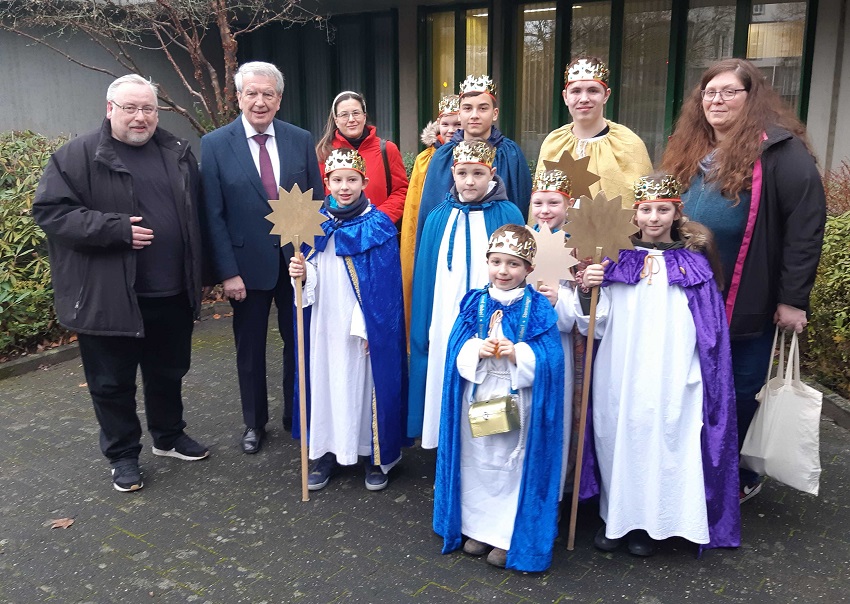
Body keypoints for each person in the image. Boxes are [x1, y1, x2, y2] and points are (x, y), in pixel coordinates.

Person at [33, 74, 209, 492]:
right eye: (130, 107)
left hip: (171, 291)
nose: (140, 116)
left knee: (169, 371)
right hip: (108, 297)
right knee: (111, 383)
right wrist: (115, 229)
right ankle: (123, 456)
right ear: (110, 108)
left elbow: (195, 216)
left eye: (148, 108)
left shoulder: (177, 152)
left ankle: (168, 436)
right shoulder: (76, 156)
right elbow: (51, 213)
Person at [661, 58, 826, 502]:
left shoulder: (780, 152)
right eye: (709, 92)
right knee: (695, 382)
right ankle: (692, 463)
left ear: (752, 98)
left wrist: (793, 299)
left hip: (746, 291)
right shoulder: (688, 146)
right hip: (691, 294)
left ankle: (734, 473)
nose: (717, 100)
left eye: (730, 91)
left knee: (740, 384)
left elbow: (805, 228)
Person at [576, 175, 740, 557]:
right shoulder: (614, 259)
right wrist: (589, 288)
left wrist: (697, 371)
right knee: (618, 436)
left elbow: (709, 330)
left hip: (673, 371)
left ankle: (651, 525)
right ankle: (616, 519)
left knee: (663, 439)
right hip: (620, 370)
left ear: (676, 212)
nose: (654, 217)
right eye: (646, 209)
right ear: (635, 213)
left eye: (662, 209)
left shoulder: (694, 264)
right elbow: (594, 325)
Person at [200, 61, 324, 454]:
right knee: (250, 350)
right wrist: (227, 273)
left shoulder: (299, 139)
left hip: (295, 265)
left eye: (267, 94)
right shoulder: (215, 145)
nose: (259, 101)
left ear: (279, 99)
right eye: (251, 93)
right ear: (238, 98)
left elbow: (314, 200)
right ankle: (254, 423)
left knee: (299, 343)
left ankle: (297, 413)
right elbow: (213, 215)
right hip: (246, 269)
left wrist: (310, 258)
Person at [433, 225, 564, 571]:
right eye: (496, 262)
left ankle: (506, 536)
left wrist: (518, 353)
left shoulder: (537, 308)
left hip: (517, 400)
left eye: (513, 264)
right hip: (478, 398)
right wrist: (477, 348)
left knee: (509, 467)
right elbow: (454, 350)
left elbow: (551, 358)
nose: (503, 271)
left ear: (529, 269)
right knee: (478, 462)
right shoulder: (474, 301)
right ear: (487, 262)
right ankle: (476, 528)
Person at [288, 149, 409, 492]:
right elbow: (311, 268)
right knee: (325, 383)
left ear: (365, 182)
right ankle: (326, 451)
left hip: (361, 327)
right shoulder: (313, 221)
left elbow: (384, 287)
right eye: (337, 180)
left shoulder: (378, 225)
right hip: (324, 321)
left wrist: (371, 327)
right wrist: (301, 273)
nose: (344, 187)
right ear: (326, 182)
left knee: (363, 384)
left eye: (351, 180)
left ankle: (373, 455)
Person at [408, 141, 525, 448]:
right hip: (445, 315)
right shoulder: (438, 216)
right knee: (446, 368)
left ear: (493, 173)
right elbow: (425, 279)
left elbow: (519, 274)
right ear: (452, 173)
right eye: (463, 173)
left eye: (478, 173)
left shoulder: (507, 214)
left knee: (486, 377)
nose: (470, 181)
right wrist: (425, 324)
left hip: (490, 319)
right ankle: (445, 444)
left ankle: (482, 449)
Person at [414, 75, 532, 250]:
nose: (474, 115)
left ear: (495, 113)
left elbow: (521, 207)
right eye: (467, 108)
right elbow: (431, 215)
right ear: (459, 113)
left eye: (483, 108)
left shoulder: (510, 155)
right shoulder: (443, 157)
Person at [537, 56, 652, 204]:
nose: (584, 98)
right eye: (576, 91)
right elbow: (539, 206)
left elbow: (642, 207)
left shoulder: (629, 144)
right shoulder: (553, 143)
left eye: (593, 90)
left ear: (606, 95)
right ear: (565, 97)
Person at [529, 169, 577, 495]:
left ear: (568, 204)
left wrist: (559, 300)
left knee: (554, 418)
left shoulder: (579, 247)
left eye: (553, 203)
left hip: (559, 344)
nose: (545, 210)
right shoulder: (521, 240)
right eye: (539, 202)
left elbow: (583, 310)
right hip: (522, 343)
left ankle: (551, 496)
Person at [400, 95, 461, 337]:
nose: (450, 130)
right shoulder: (425, 159)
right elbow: (414, 205)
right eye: (445, 124)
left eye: (457, 124)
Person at [316, 91, 409, 225]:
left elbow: (401, 191)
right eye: (344, 115)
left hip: (378, 232)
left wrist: (378, 219)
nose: (351, 119)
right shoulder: (324, 152)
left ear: (364, 116)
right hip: (337, 232)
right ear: (336, 120)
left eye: (356, 113)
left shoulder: (387, 149)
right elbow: (317, 195)